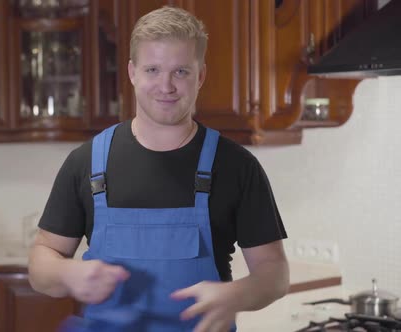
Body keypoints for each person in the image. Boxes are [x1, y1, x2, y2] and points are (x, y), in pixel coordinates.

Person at [28, 6, 289, 332]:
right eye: (152, 69)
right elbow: (42, 262)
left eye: (181, 71)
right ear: (132, 72)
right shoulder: (86, 163)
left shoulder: (236, 166)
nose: (166, 86)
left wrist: (237, 294)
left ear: (201, 75)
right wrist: (66, 274)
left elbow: (274, 273)